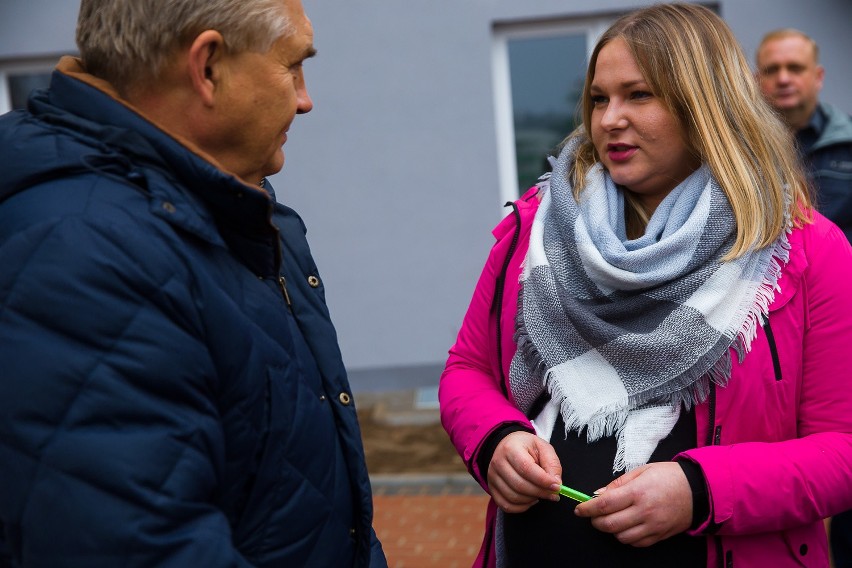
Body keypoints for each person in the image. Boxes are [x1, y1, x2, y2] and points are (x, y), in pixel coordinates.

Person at [439, 3, 852, 567]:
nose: (609, 119)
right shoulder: (534, 229)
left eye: (638, 95)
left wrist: (701, 491)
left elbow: (842, 451)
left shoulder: (803, 251)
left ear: (705, 104)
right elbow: (468, 370)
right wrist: (494, 440)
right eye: (599, 98)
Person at [0, 0, 387, 566]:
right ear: (207, 67)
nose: (305, 100)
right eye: (293, 65)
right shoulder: (81, 251)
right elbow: (140, 545)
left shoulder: (232, 211)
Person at [756, 28, 852, 242]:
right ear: (756, 79)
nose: (783, 79)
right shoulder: (739, 146)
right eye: (771, 70)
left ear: (818, 77)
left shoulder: (848, 142)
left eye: (795, 68)